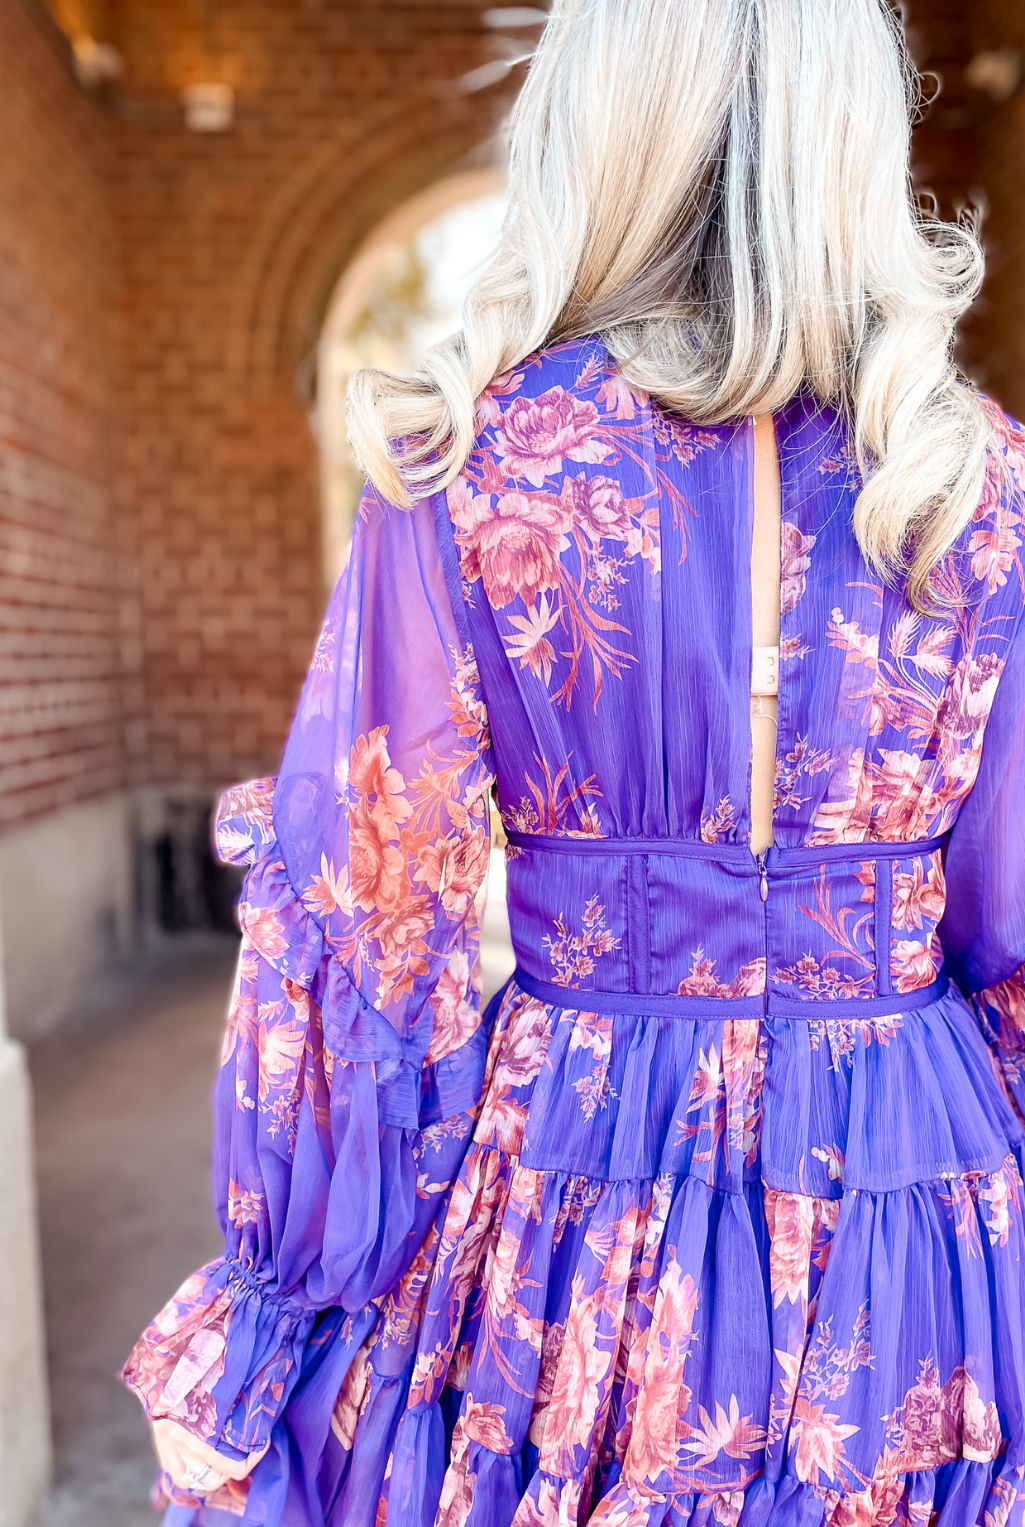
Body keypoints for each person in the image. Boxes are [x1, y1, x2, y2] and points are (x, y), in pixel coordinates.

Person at [123, 1, 1025, 1522]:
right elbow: (1009, 929)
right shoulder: (980, 490)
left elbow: (369, 918)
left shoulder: (472, 469)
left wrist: (276, 1302)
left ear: (593, 123)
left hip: (576, 1185)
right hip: (913, 1194)